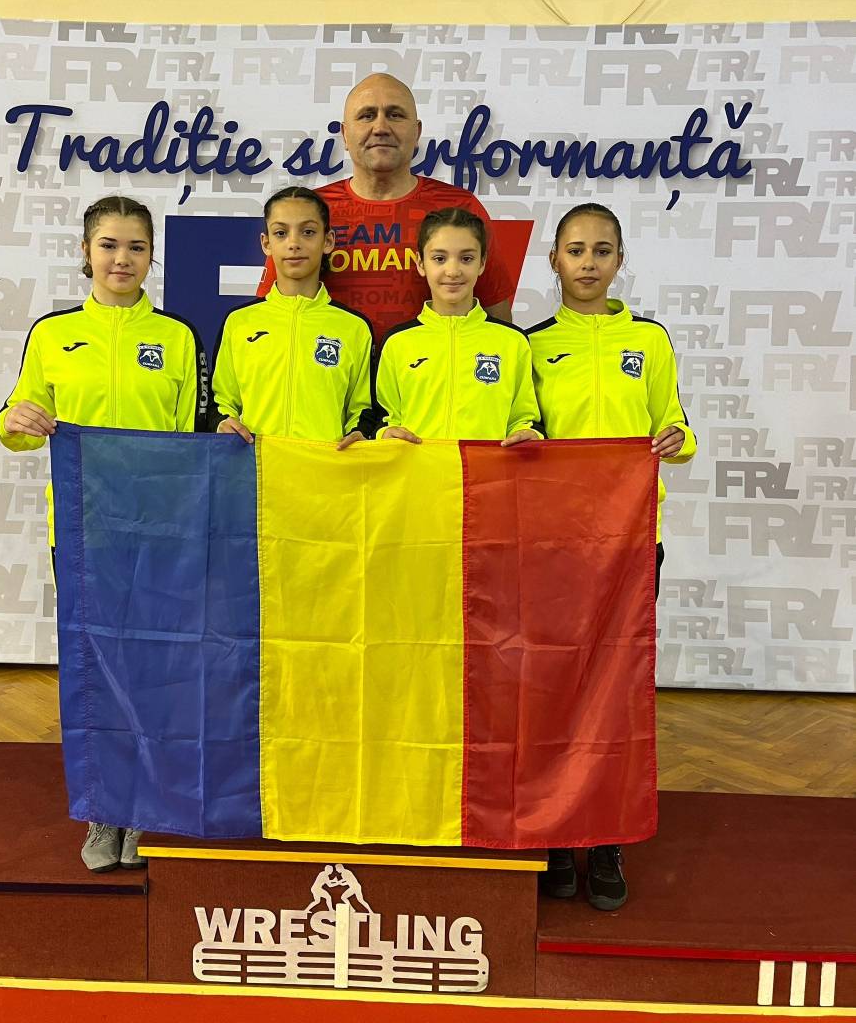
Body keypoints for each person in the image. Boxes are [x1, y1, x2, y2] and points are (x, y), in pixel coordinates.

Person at [0, 195, 209, 874]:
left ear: (151, 257)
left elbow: (190, 438)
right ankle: (103, 808)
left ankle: (145, 806)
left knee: (153, 668)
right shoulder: (52, 334)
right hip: (84, 530)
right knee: (94, 669)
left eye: (136, 247)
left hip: (160, 531)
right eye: (109, 245)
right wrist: (14, 420)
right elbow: (18, 420)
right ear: (86, 252)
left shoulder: (177, 336)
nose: (122, 259)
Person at [528, 201, 696, 912]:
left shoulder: (648, 340)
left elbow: (675, 424)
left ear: (619, 260)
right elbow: (521, 432)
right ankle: (556, 835)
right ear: (554, 261)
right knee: (555, 685)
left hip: (630, 540)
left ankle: (606, 839)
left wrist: (675, 440)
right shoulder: (531, 345)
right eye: (575, 250)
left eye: (602, 250)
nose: (588, 262)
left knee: (617, 690)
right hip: (555, 545)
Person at [258, 74, 516, 347]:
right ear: (345, 134)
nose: (380, 127)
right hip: (330, 371)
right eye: (367, 116)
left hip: (429, 372)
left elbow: (497, 323)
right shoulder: (309, 213)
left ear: (417, 132)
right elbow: (271, 314)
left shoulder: (459, 208)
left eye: (395, 115)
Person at [209, 185, 373, 448]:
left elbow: (363, 409)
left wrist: (361, 432)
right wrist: (222, 423)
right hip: (255, 466)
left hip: (325, 467)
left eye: (308, 232)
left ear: (328, 241)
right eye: (281, 233)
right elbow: (220, 402)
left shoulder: (354, 327)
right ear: (266, 243)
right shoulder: (239, 322)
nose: (294, 243)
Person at [375, 206, 540, 445]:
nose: (453, 271)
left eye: (466, 258)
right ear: (420, 263)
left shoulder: (513, 341)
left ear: (482, 263)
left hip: (484, 469)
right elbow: (383, 418)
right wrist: (384, 432)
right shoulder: (397, 342)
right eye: (439, 259)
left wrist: (528, 433)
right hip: (418, 468)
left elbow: (525, 419)